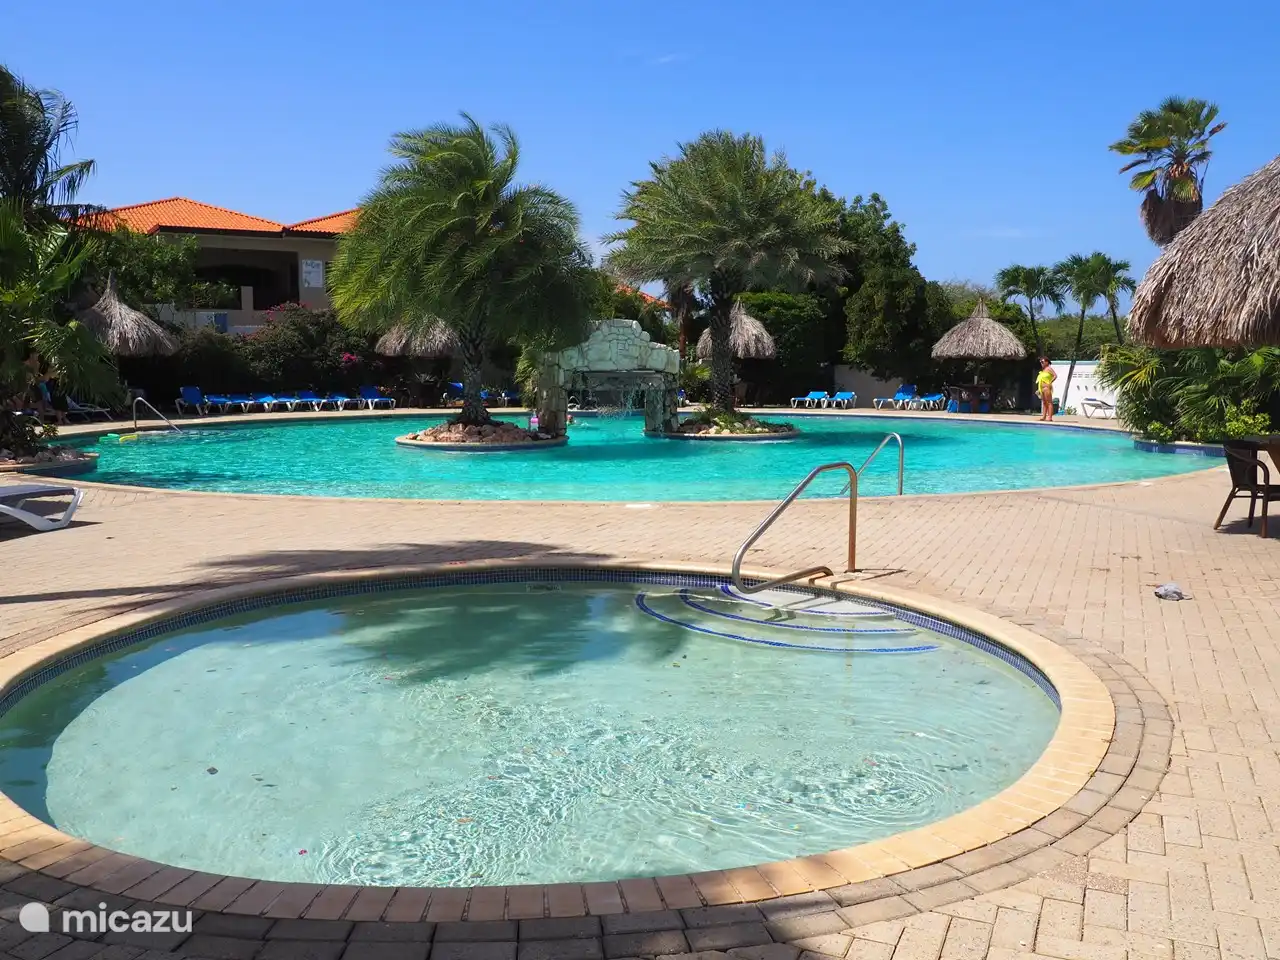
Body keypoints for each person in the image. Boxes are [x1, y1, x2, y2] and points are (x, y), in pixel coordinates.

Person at [1036, 357, 1057, 422]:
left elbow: (1055, 375)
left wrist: (1050, 383)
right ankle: (1044, 416)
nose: (1041, 363)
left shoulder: (1049, 368)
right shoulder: (1044, 370)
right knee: (1044, 403)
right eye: (1040, 362)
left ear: (1047, 362)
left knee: (1049, 402)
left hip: (1046, 387)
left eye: (1042, 362)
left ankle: (1050, 417)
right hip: (1042, 388)